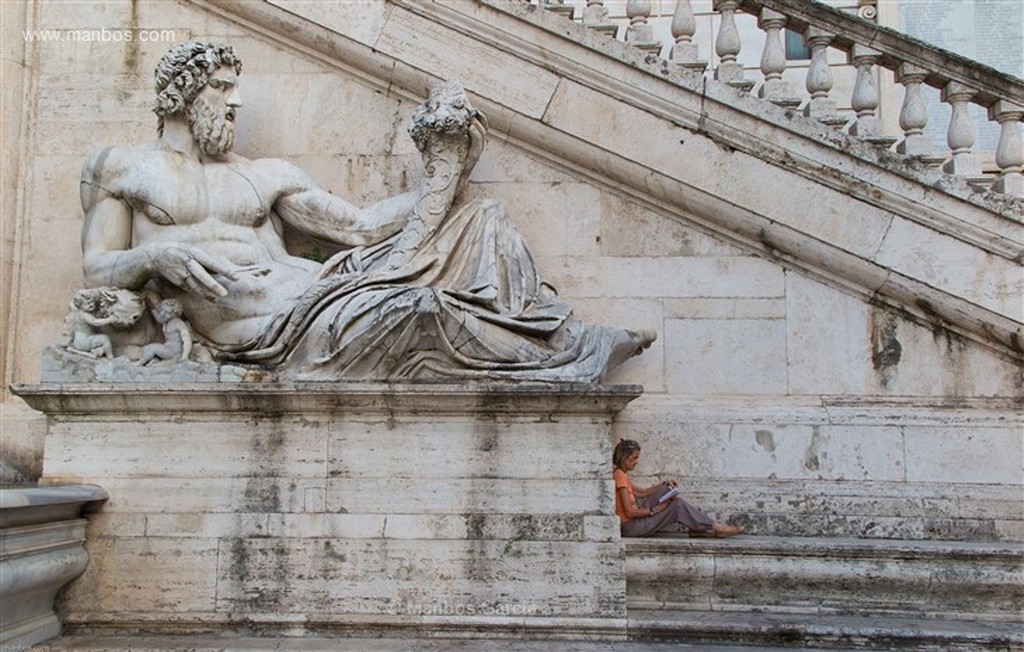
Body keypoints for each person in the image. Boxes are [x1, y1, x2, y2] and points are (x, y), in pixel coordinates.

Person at [78, 41, 654, 381]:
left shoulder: (263, 174)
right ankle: (565, 354)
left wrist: (445, 175)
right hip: (266, 328)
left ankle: (559, 339)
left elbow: (358, 226)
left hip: (322, 290)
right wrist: (155, 254)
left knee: (484, 218)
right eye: (223, 89)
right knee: (420, 309)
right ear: (185, 92)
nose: (236, 101)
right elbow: (97, 267)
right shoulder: (125, 169)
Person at [613, 439, 744, 538]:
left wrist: (664, 484)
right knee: (677, 506)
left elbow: (643, 492)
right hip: (630, 527)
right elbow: (630, 512)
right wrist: (654, 510)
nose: (636, 462)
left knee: (667, 489)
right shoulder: (619, 477)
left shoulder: (621, 475)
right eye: (634, 458)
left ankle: (700, 530)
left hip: (634, 522)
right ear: (624, 457)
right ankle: (714, 527)